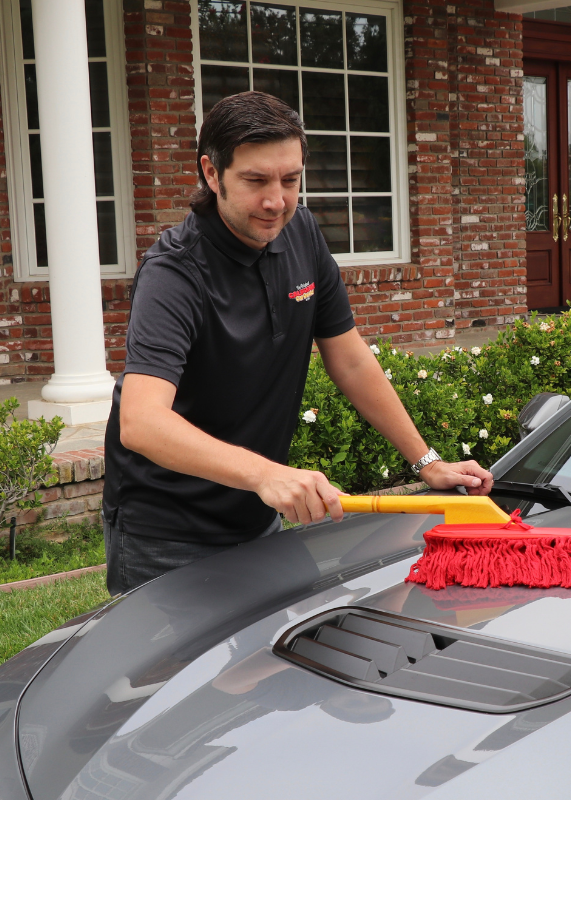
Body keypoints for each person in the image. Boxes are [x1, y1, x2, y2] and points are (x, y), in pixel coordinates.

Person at [101, 91, 492, 595]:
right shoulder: (174, 273)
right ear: (212, 173)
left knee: (261, 665)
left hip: (256, 508)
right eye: (256, 181)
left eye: (290, 180)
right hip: (167, 530)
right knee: (175, 676)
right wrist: (266, 475)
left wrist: (427, 462)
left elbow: (349, 360)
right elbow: (141, 421)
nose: (276, 201)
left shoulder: (302, 233)